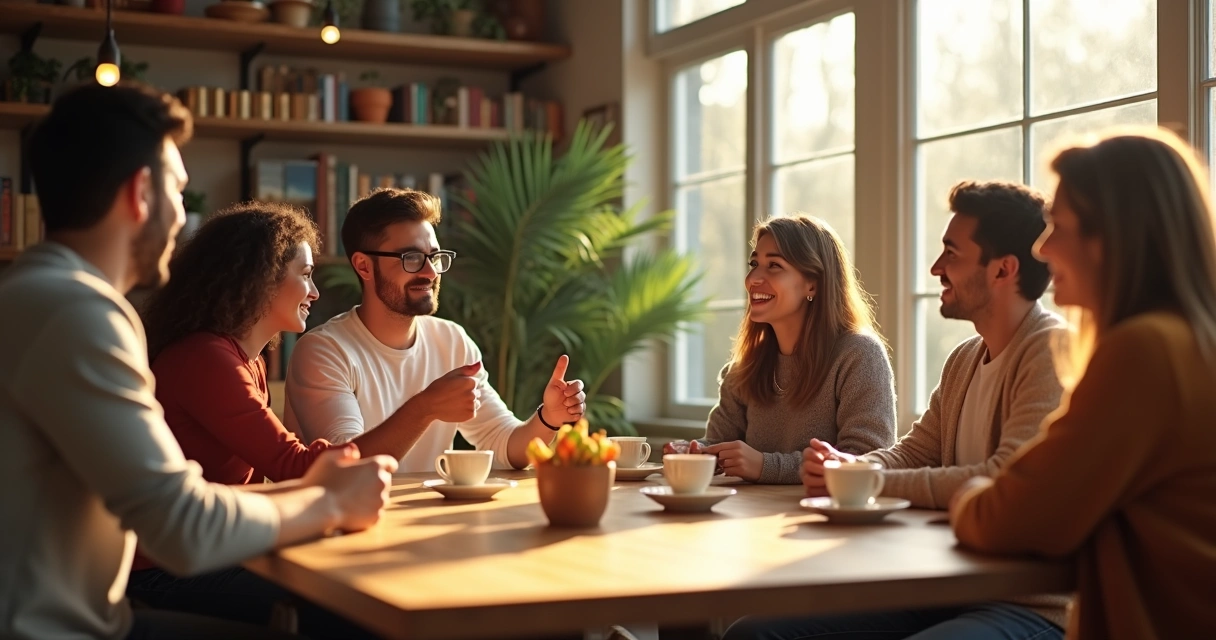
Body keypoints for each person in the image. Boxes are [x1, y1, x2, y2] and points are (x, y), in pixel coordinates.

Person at [0, 82, 396, 640]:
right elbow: (180, 527)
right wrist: (327, 503)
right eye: (179, 191)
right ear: (141, 192)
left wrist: (317, 491)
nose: (183, 217)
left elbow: (179, 503)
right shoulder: (74, 312)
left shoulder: (40, 295)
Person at [726, 182, 1069, 639]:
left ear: (1003, 270)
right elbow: (911, 451)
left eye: (952, 254)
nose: (935, 268)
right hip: (944, 588)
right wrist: (849, 465)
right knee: (755, 634)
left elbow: (1003, 479)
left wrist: (866, 479)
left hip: (1026, 605)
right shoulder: (965, 359)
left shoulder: (1050, 349)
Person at [951, 128, 1216, 639]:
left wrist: (972, 495)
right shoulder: (1188, 344)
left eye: (1058, 227)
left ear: (1115, 238)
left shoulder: (1145, 352)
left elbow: (1015, 515)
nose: (1043, 251)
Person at [128, 203, 382, 637]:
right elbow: (294, 468)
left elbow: (277, 475)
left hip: (214, 549)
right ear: (261, 278)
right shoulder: (205, 358)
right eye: (305, 274)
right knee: (355, 611)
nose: (315, 291)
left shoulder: (248, 360)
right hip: (166, 569)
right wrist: (404, 427)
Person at [285, 187, 587, 472]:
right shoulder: (323, 351)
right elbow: (346, 465)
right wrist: (424, 408)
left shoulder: (451, 341)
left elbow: (503, 443)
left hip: (425, 522)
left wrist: (549, 418)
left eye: (434, 257)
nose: (430, 272)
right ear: (364, 266)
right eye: (412, 258)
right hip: (345, 524)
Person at [667, 214, 896, 484]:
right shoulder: (744, 367)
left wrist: (766, 465)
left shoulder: (859, 356)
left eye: (774, 265)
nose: (753, 278)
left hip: (822, 521)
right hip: (751, 518)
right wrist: (697, 452)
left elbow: (866, 458)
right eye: (754, 264)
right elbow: (721, 441)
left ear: (813, 284)